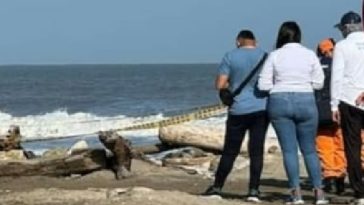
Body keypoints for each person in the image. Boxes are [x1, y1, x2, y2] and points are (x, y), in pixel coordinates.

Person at [258, 21, 328, 205]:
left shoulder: (274, 55)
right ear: (299, 36)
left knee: (289, 151)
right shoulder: (309, 54)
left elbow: (263, 84)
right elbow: (319, 82)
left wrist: (279, 87)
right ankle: (319, 193)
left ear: (281, 36)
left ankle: (296, 194)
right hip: (305, 99)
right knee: (310, 150)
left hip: (279, 100)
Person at [203, 30, 269, 203]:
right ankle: (254, 190)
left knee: (230, 151)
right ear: (255, 41)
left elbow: (220, 84)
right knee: (256, 151)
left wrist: (233, 84)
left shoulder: (230, 56)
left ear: (238, 41)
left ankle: (217, 187)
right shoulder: (265, 56)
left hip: (238, 109)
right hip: (261, 108)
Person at [331, 11, 364, 205]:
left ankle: (360, 192)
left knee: (352, 147)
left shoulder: (342, 46)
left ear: (345, 28)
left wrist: (333, 104)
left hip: (349, 99)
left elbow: (337, 77)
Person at [314, 38, 346, 195]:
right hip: (339, 110)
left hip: (320, 112)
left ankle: (330, 178)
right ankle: (340, 178)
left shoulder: (315, 64)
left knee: (324, 146)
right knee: (341, 145)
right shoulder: (341, 64)